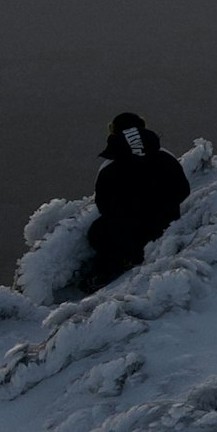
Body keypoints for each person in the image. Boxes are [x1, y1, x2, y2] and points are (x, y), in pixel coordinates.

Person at [69, 111, 189, 297]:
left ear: (114, 132)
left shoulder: (110, 166)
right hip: (165, 227)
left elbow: (103, 205)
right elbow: (183, 190)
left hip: (125, 235)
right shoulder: (165, 157)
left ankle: (107, 271)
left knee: (98, 232)